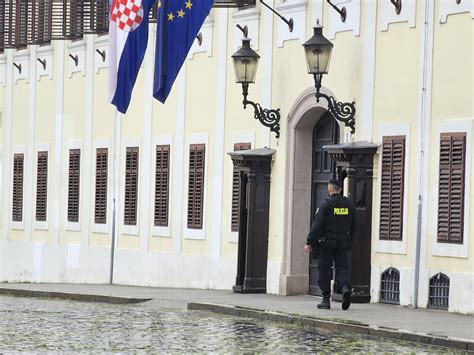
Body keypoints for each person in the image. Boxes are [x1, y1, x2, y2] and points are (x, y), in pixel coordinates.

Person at [304, 179, 356, 310]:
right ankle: (344, 289)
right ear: (340, 189)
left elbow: (317, 225)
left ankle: (326, 300)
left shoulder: (325, 204)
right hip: (343, 241)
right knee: (341, 267)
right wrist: (350, 239)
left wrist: (309, 242)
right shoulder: (349, 205)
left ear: (330, 189)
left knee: (324, 270)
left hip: (327, 242)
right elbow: (355, 225)